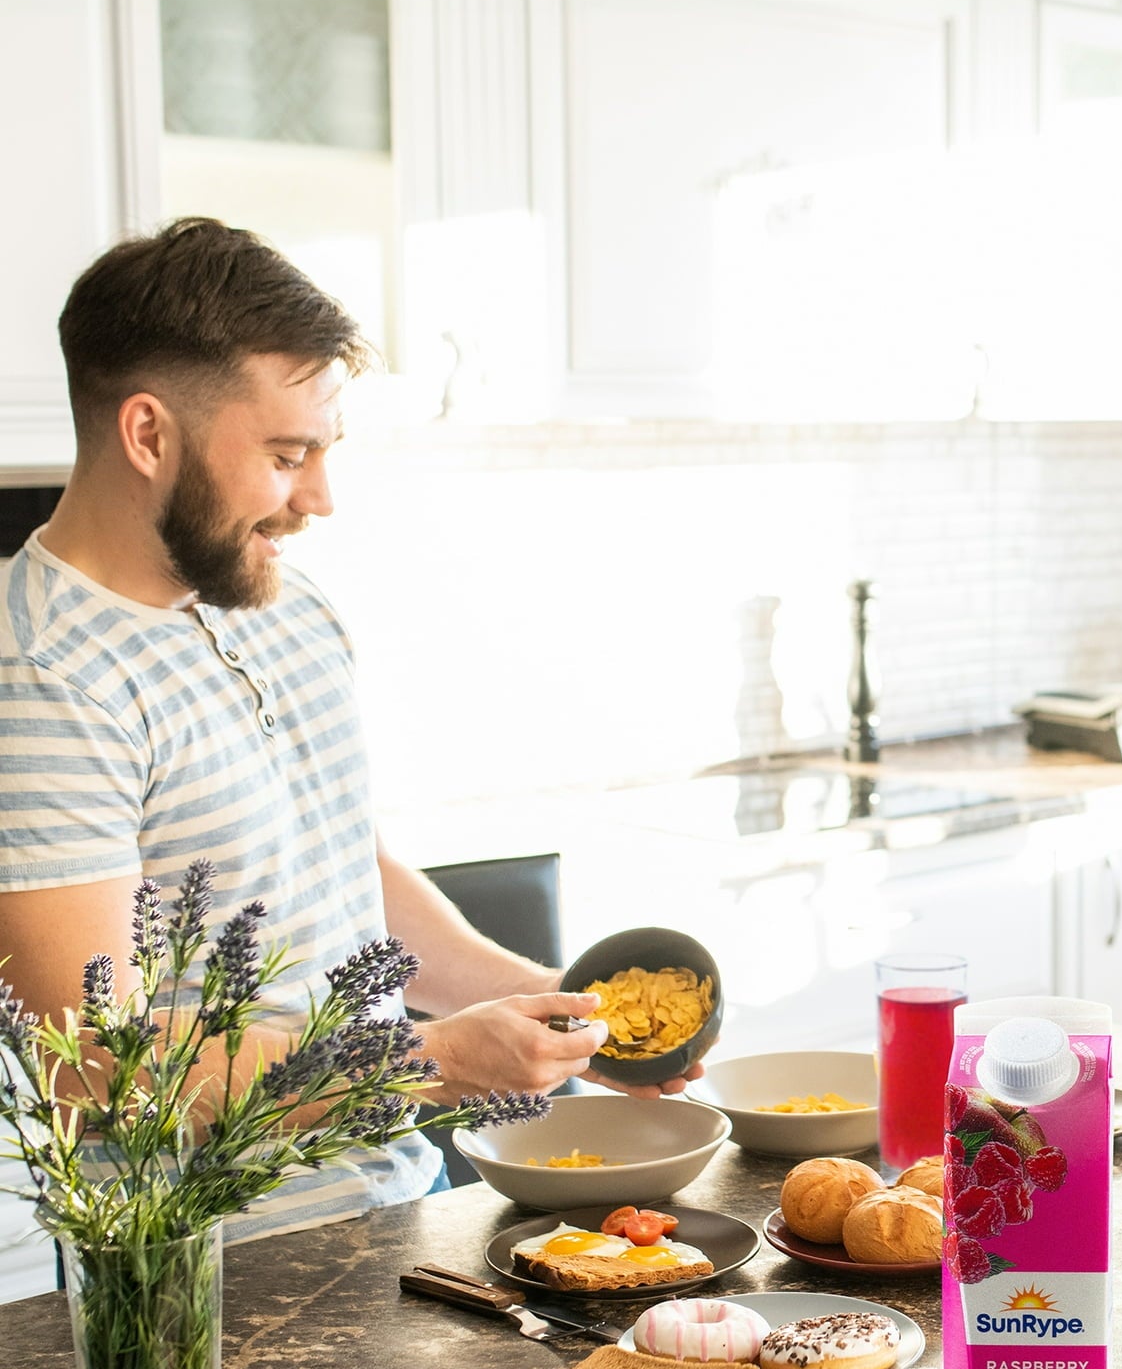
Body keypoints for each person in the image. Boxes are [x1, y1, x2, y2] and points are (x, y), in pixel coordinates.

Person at [0, 220, 689, 1239]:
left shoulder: (285, 606)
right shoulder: (43, 677)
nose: (319, 497)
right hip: (205, 1284)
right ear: (147, 434)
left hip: (398, 1214)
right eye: (286, 456)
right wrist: (436, 1058)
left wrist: (560, 1004)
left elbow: (348, 874)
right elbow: (98, 1066)